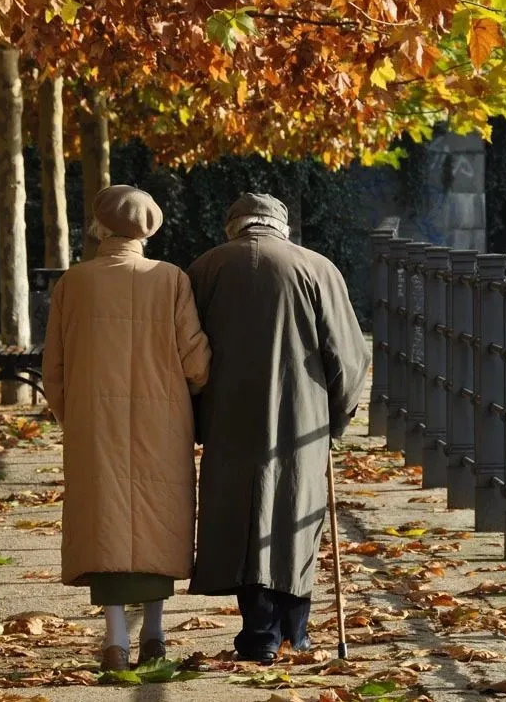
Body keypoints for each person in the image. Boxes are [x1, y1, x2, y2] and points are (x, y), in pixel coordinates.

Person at [186, 192, 370, 663]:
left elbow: (187, 351)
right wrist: (337, 414)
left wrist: (193, 414)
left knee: (242, 517)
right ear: (280, 226)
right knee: (295, 514)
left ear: (234, 225)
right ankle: (295, 631)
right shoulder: (316, 268)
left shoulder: (205, 269)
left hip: (227, 415)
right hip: (301, 413)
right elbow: (347, 357)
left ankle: (257, 632)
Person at [42, 185, 211, 672]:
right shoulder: (171, 279)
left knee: (106, 521)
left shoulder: (74, 283)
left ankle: (116, 638)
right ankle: (154, 631)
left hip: (96, 424)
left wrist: (72, 417)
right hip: (163, 421)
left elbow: (53, 367)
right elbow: (196, 361)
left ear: (100, 226)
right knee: (159, 518)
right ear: (149, 228)